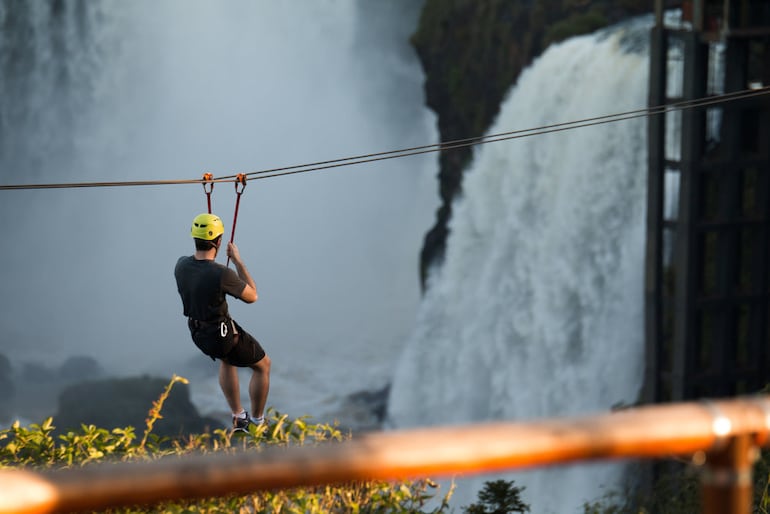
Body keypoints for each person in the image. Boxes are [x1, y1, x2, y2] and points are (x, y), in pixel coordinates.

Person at [174, 213, 271, 432]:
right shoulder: (221, 274)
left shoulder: (180, 265)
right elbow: (252, 296)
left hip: (198, 333)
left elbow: (201, 279)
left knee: (226, 358)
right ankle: (257, 421)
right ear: (218, 241)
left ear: (194, 238)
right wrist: (237, 261)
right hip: (221, 333)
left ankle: (238, 416)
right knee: (263, 366)